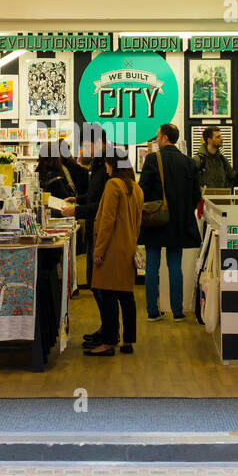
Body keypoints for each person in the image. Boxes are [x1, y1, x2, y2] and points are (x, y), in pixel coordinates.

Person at [138, 123, 201, 321]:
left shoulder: (152, 159)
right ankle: (178, 312)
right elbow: (196, 195)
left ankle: (152, 311)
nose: (156, 140)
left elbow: (143, 190)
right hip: (179, 222)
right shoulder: (189, 162)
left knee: (152, 266)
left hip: (156, 220)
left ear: (165, 138)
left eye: (157, 136)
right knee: (175, 266)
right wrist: (182, 211)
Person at [85, 148, 144, 357]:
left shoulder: (113, 185)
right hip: (127, 247)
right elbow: (137, 223)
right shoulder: (136, 188)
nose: (106, 169)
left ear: (112, 164)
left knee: (108, 295)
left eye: (107, 164)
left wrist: (98, 250)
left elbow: (106, 220)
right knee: (127, 297)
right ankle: (128, 341)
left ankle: (108, 343)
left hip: (111, 248)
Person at [62, 124, 111, 346]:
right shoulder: (99, 164)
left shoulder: (107, 166)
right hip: (96, 229)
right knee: (97, 285)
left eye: (85, 144)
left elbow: (103, 205)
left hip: (102, 232)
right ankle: (106, 330)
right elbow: (95, 196)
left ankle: (109, 335)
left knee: (102, 287)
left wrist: (77, 210)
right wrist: (79, 199)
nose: (82, 149)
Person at [193, 124, 235, 189]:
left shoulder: (222, 160)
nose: (222, 139)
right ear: (209, 140)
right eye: (218, 137)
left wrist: (226, 191)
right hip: (204, 198)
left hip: (222, 198)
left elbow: (232, 177)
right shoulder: (198, 160)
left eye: (221, 136)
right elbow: (190, 181)